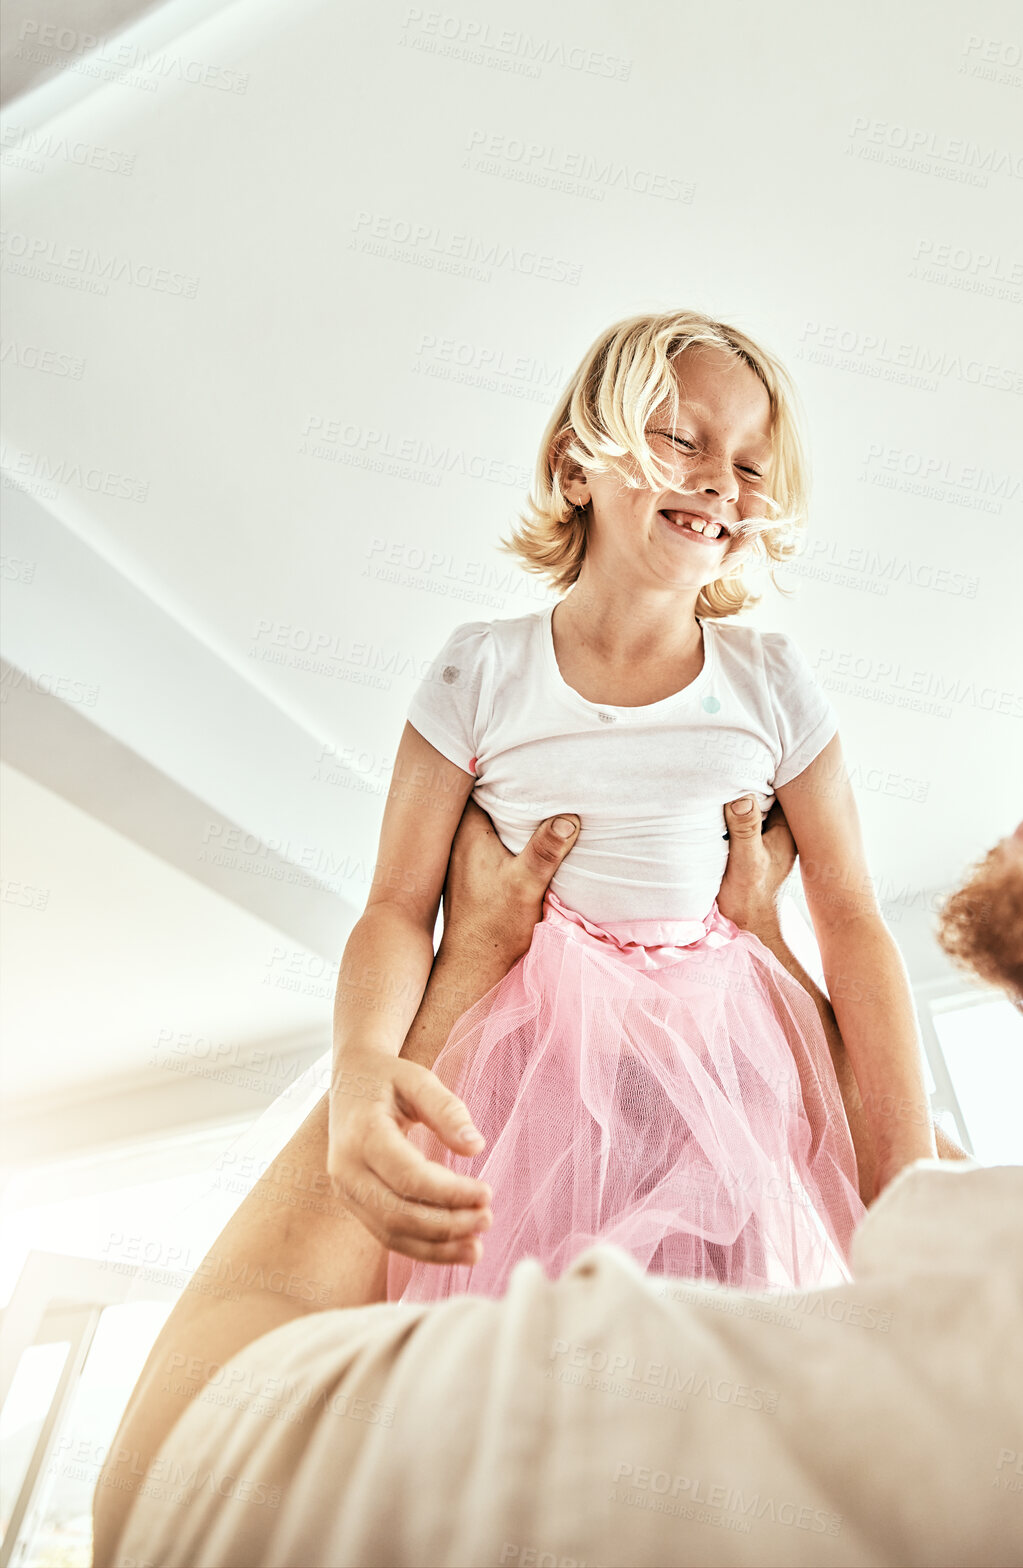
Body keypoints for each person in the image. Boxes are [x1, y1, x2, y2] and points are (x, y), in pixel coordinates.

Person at [96, 514, 1023, 1568]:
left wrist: (465, 965)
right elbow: (918, 1194)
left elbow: (165, 1477)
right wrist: (762, 934)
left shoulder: (744, 1448)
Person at [327, 309, 936, 1306]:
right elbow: (395, 904)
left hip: (725, 1079)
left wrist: (905, 1162)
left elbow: (853, 914)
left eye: (750, 464)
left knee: (711, 1344)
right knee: (512, 1341)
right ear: (576, 467)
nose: (719, 480)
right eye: (681, 438)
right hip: (525, 1081)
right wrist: (359, 1067)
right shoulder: (480, 670)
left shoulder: (769, 679)